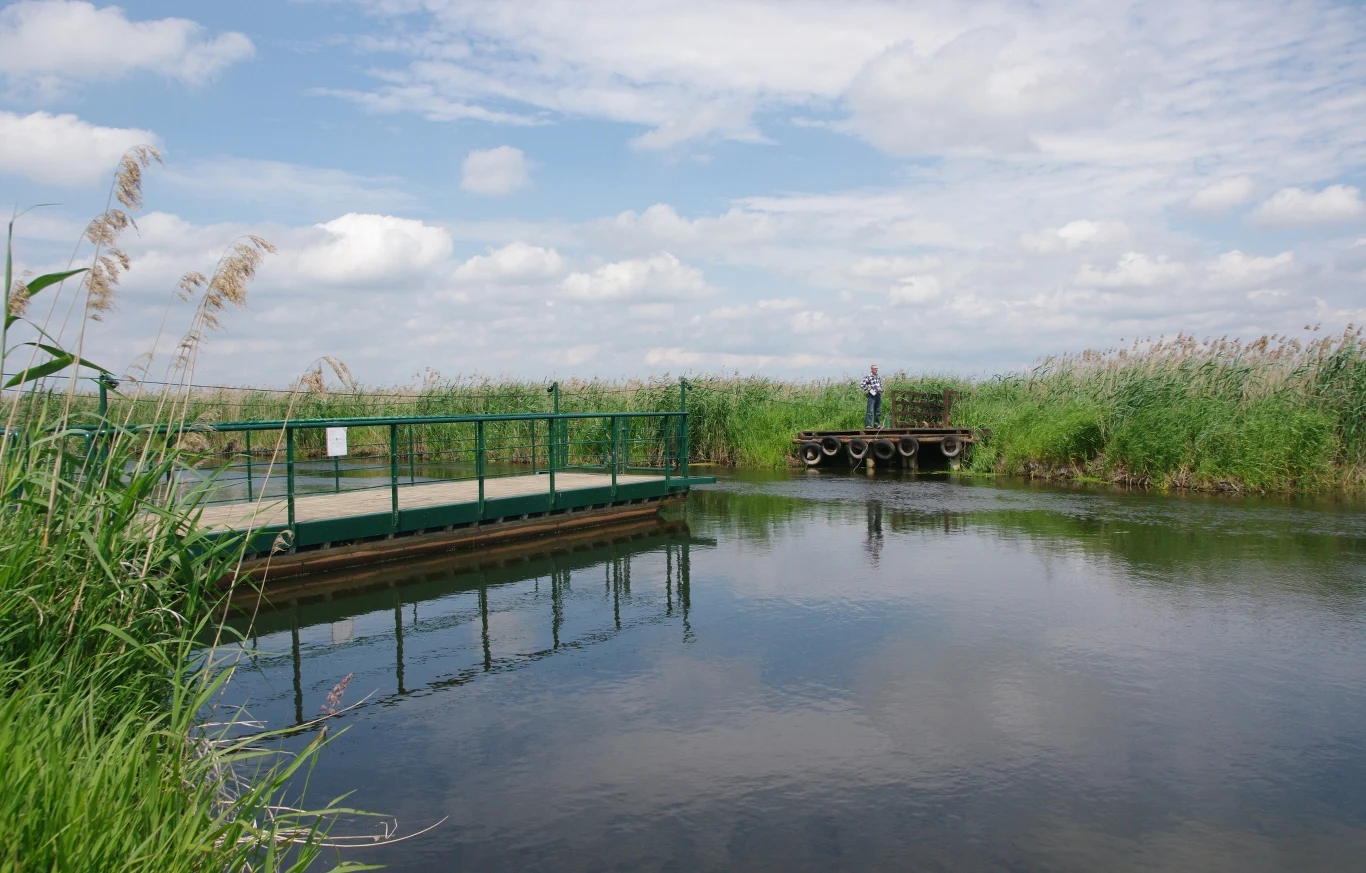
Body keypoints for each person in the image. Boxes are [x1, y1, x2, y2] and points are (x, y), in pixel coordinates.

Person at [860, 363, 883, 428]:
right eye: (875, 368)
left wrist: (881, 389)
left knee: (878, 411)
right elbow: (862, 384)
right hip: (872, 394)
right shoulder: (869, 376)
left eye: (877, 368)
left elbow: (880, 384)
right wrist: (868, 389)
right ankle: (868, 425)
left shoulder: (878, 376)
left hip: (878, 394)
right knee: (870, 410)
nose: (876, 369)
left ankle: (877, 424)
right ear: (872, 369)